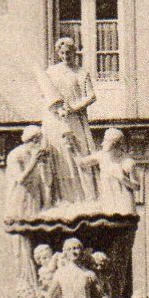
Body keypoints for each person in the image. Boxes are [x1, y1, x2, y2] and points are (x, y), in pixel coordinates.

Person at [38, 37, 98, 204]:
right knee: (59, 154)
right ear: (58, 53)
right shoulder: (51, 72)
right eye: (62, 53)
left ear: (75, 53)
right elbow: (45, 95)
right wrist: (56, 108)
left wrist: (74, 107)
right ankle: (62, 198)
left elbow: (91, 96)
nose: (66, 56)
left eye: (69, 53)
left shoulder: (81, 72)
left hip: (75, 119)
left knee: (80, 153)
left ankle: (87, 198)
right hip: (55, 119)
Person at [81, 127, 139, 215]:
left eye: (106, 140)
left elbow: (137, 186)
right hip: (108, 203)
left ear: (115, 143)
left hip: (124, 204)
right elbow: (82, 163)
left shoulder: (127, 161)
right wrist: (72, 147)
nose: (102, 143)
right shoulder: (101, 156)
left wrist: (124, 180)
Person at [3, 124, 52, 221]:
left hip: (34, 198)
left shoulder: (35, 154)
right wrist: (33, 161)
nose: (39, 144)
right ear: (32, 140)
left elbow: (45, 181)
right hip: (19, 197)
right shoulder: (15, 155)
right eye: (37, 141)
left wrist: (44, 164)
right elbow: (20, 179)